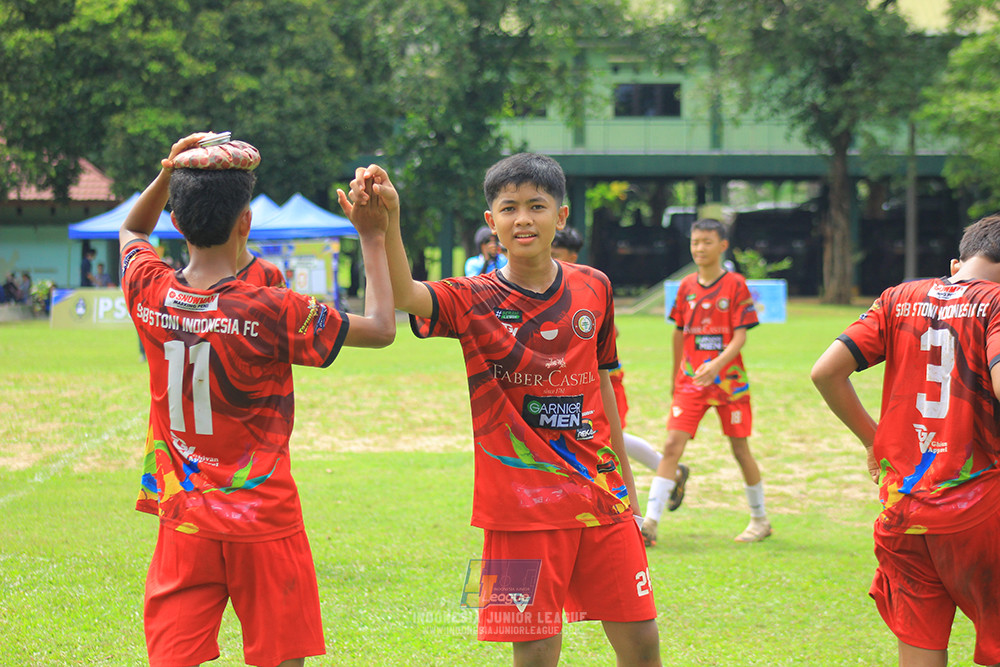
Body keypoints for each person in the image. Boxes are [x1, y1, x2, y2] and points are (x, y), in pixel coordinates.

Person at [345, 153, 661, 667]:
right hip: (514, 512)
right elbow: (406, 295)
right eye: (509, 208)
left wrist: (631, 499)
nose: (523, 219)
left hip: (601, 497)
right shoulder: (474, 297)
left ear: (561, 217)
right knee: (534, 650)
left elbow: (604, 393)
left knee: (642, 640)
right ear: (492, 224)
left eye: (537, 206)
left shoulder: (595, 286)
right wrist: (388, 223)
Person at [120, 132, 395, 667]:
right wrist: (374, 236)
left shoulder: (148, 289)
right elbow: (383, 328)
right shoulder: (271, 308)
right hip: (263, 520)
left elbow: (132, 228)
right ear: (245, 221)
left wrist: (169, 170)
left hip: (184, 518)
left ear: (175, 222)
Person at [811, 214, 1000, 667]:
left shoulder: (898, 297)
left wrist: (873, 442)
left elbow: (825, 372)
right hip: (981, 511)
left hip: (904, 508)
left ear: (960, 261)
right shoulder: (996, 303)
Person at [641, 218, 769, 546]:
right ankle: (651, 523)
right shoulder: (685, 287)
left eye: (707, 242)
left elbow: (740, 337)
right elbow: (679, 332)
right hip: (691, 381)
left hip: (730, 383)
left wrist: (717, 366)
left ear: (722, 245)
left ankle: (760, 520)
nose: (699, 248)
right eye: (695, 242)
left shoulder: (736, 284)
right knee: (671, 446)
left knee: (740, 449)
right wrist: (675, 377)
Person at [551, 227, 667, 476]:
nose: (549, 258)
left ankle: (666, 470)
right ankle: (670, 470)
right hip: (578, 380)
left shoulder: (585, 286)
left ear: (572, 257)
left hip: (605, 376)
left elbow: (611, 332)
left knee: (608, 436)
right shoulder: (549, 285)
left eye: (556, 253)